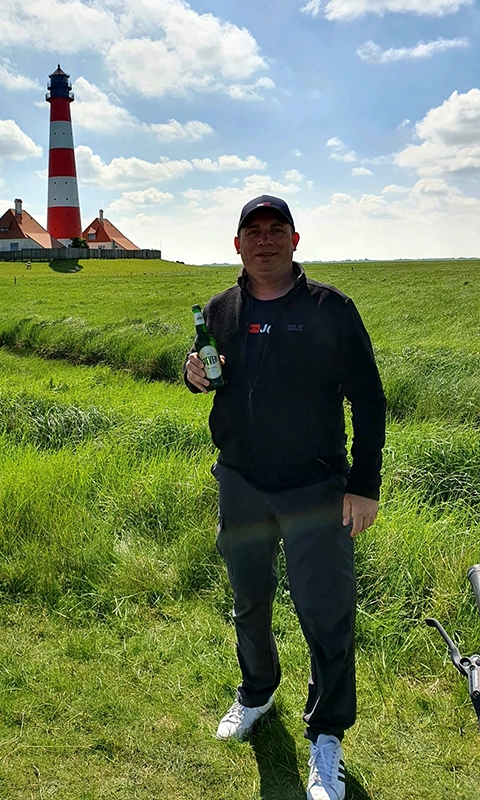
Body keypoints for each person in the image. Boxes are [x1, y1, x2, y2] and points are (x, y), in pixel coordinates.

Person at [184, 195, 386, 800]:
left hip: (317, 487)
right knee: (249, 601)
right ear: (237, 243)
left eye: (277, 230)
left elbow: (370, 400)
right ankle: (257, 692)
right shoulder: (220, 310)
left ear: (295, 241)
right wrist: (191, 374)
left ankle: (327, 733)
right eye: (254, 231)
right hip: (242, 482)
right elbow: (208, 374)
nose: (265, 240)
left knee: (325, 610)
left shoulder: (331, 309)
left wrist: (364, 485)